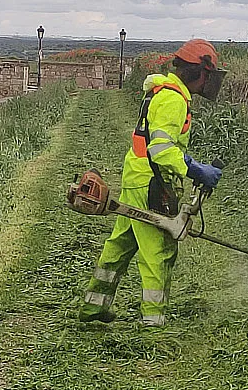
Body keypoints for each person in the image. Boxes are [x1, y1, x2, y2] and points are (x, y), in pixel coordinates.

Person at [79, 39, 224, 327]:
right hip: (152, 185)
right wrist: (196, 170)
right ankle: (152, 322)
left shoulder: (159, 91)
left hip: (136, 178)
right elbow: (161, 150)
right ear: (198, 72)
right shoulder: (173, 100)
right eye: (208, 75)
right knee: (158, 252)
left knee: (119, 246)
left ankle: (94, 308)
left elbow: (154, 143)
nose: (208, 82)